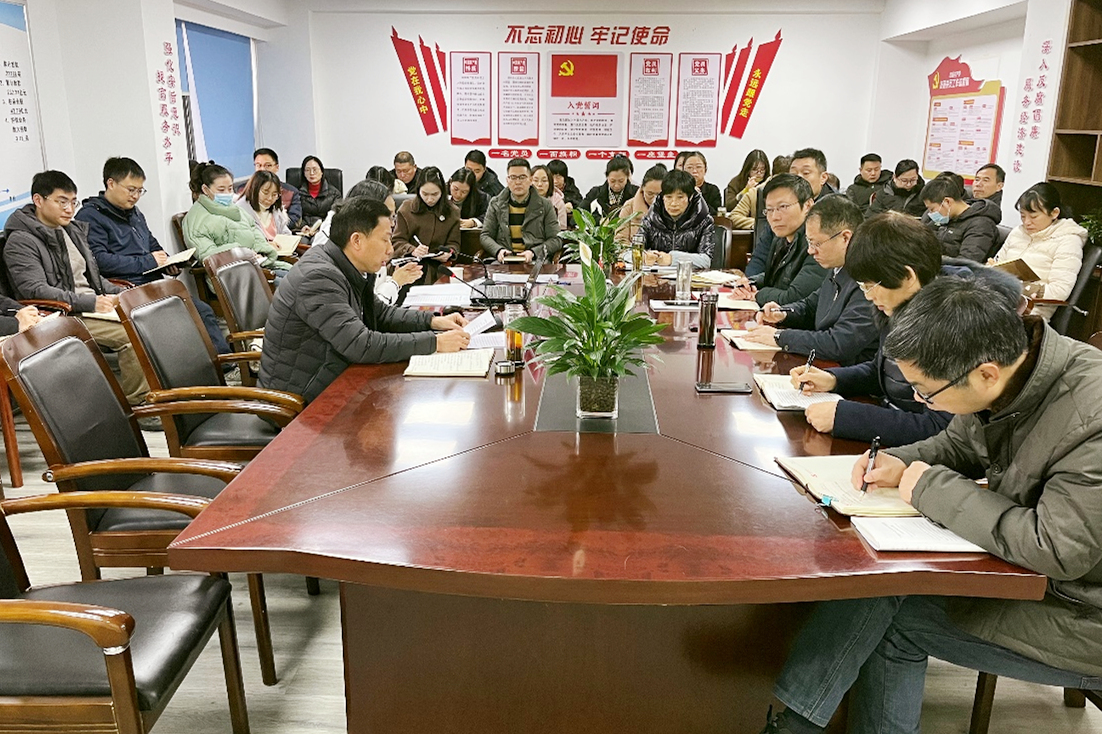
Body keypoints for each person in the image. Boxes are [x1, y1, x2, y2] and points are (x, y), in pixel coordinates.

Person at [760, 276, 1102, 734]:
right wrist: (899, 460)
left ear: (986, 373)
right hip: (1040, 583)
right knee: (882, 585)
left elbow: (1058, 548)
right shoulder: (1012, 370)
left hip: (1083, 612)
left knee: (892, 614)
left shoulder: (1090, 418)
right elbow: (959, 443)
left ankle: (794, 725)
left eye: (927, 392)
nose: (921, 401)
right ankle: (795, 723)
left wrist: (931, 488)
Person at [790, 212, 1020, 446]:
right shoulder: (898, 305)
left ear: (907, 276)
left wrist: (846, 417)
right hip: (891, 426)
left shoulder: (955, 321)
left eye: (870, 286)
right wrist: (834, 379)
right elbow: (883, 370)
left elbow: (942, 428)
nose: (868, 296)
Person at [259, 197, 469, 403]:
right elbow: (360, 344)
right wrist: (435, 342)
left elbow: (380, 314)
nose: (390, 249)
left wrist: (433, 321)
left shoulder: (347, 265)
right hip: (298, 402)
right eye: (385, 239)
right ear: (357, 240)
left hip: (334, 380)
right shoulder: (318, 277)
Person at [3, 170, 150, 408]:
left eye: (73, 202)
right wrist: (91, 303)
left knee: (148, 318)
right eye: (62, 202)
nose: (69, 209)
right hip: (62, 314)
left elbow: (93, 278)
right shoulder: (21, 241)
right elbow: (34, 290)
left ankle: (160, 394)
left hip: (90, 305)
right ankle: (138, 406)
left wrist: (121, 294)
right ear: (38, 200)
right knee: (130, 336)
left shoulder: (71, 230)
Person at [75, 156, 231, 355]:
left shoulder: (134, 213)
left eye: (140, 191)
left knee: (201, 310)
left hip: (153, 281)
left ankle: (222, 362)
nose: (135, 196)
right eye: (131, 190)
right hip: (126, 287)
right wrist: (148, 262)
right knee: (183, 316)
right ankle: (212, 363)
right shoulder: (90, 216)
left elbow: (151, 244)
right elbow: (99, 261)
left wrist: (167, 261)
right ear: (111, 183)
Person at [741, 196, 878, 366]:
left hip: (850, 374)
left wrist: (779, 337)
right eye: (809, 242)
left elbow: (839, 343)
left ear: (845, 238)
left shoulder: (869, 279)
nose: (810, 251)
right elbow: (811, 306)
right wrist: (783, 313)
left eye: (816, 243)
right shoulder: (838, 268)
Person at [311, 179, 423, 306]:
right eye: (387, 216)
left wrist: (395, 279)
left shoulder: (362, 234)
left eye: (393, 216)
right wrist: (395, 283)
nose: (392, 223)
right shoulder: (336, 253)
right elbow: (366, 309)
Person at [991, 182, 1086, 321]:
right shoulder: (1018, 233)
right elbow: (999, 262)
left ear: (1054, 213)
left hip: (1030, 313)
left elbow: (1059, 291)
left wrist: (1018, 286)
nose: (1027, 222)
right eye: (1023, 216)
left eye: (1033, 216)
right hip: (999, 301)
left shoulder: (1068, 240)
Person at [731, 174, 827, 307]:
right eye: (769, 210)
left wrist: (756, 295)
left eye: (783, 207)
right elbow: (777, 278)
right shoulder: (780, 238)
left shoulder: (818, 243)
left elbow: (794, 297)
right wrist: (752, 282)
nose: (775, 217)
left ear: (808, 205)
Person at [183, 162, 292, 276]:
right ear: (205, 189)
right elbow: (209, 255)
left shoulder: (234, 208)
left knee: (298, 276)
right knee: (291, 283)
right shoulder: (196, 219)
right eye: (221, 190)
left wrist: (262, 250)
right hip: (232, 276)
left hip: (255, 265)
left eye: (230, 188)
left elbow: (253, 230)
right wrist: (245, 254)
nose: (227, 194)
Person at [480, 158, 562, 263]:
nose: (518, 182)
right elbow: (485, 236)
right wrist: (498, 250)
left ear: (530, 180)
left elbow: (556, 240)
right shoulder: (495, 204)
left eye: (522, 177)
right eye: (513, 177)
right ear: (507, 180)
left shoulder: (545, 205)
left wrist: (533, 252)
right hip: (504, 260)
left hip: (535, 260)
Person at [392, 166, 460, 284]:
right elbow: (397, 241)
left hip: (437, 267)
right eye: (425, 193)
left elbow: (454, 243)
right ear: (418, 191)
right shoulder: (406, 209)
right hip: (410, 264)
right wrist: (413, 250)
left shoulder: (452, 212)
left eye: (435, 194)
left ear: (442, 192)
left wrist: (449, 253)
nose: (430, 199)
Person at [637, 169, 714, 268]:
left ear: (690, 197)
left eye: (680, 197)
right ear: (663, 197)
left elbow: (706, 260)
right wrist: (643, 256)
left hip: (690, 275)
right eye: (669, 197)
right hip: (656, 276)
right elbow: (629, 252)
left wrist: (672, 259)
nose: (673, 203)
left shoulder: (704, 221)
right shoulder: (650, 219)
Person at [921, 175, 1001, 262]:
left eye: (932, 209)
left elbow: (966, 262)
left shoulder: (981, 225)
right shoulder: (949, 217)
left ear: (947, 202)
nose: (931, 214)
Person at [730, 154, 791, 231]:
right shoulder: (755, 193)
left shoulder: (800, 192)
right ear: (773, 177)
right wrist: (760, 224)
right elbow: (733, 217)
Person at [248, 148, 304, 229]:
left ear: (277, 167)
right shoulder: (243, 190)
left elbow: (293, 219)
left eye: (268, 165)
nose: (262, 169)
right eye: (258, 165)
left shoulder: (291, 192)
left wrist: (273, 227)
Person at [616, 164, 667, 245]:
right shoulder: (629, 206)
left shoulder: (676, 208)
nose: (654, 199)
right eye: (650, 194)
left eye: (659, 195)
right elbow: (620, 240)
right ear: (642, 188)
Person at [237, 170, 292, 243]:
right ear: (254, 189)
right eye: (265, 193)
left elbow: (286, 233)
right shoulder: (241, 210)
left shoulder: (275, 210)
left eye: (274, 194)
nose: (270, 198)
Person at [297, 155, 340, 230]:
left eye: (315, 169)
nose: (311, 173)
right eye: (307, 170)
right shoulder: (297, 193)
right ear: (303, 173)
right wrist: (302, 226)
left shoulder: (334, 194)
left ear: (322, 171)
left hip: (326, 230)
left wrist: (322, 228)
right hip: (304, 230)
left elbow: (335, 216)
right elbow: (295, 215)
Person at [681, 151, 722, 215]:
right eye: (689, 167)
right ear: (683, 170)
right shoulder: (678, 189)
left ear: (705, 170)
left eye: (698, 167)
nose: (694, 171)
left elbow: (715, 213)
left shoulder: (713, 190)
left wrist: (698, 197)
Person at [531, 164, 568, 229]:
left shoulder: (558, 202)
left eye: (544, 181)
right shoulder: (523, 200)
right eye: (536, 180)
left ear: (550, 182)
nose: (539, 184)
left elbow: (562, 229)